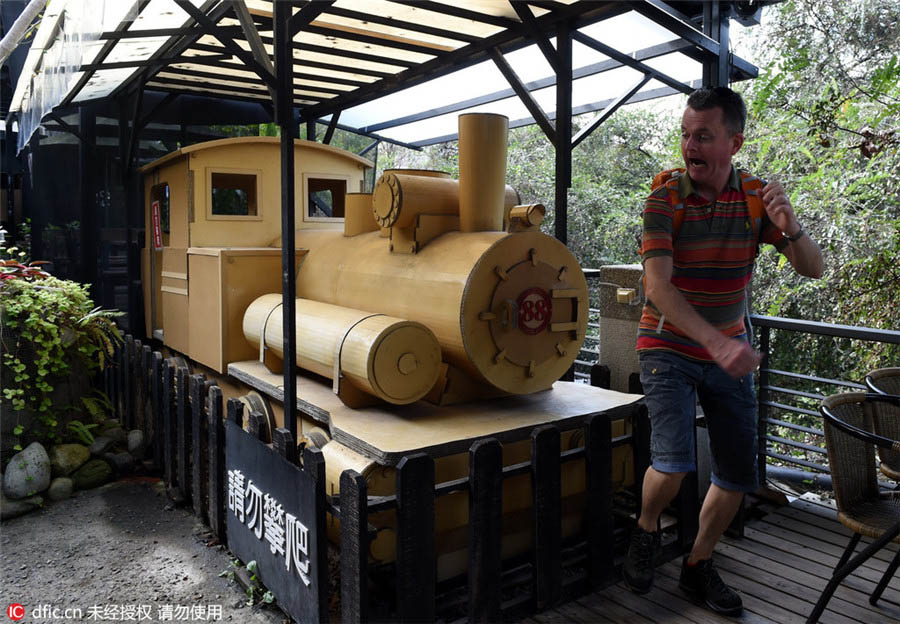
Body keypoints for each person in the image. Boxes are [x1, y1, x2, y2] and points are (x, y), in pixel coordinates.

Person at [623, 87, 824, 615]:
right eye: (686, 134)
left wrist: (792, 228)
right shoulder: (662, 198)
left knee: (736, 472)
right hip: (666, 343)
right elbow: (658, 288)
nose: (691, 145)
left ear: (733, 142)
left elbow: (814, 268)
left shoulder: (756, 197)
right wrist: (716, 343)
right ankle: (645, 530)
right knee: (673, 463)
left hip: (730, 347)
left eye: (704, 135)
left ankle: (697, 564)